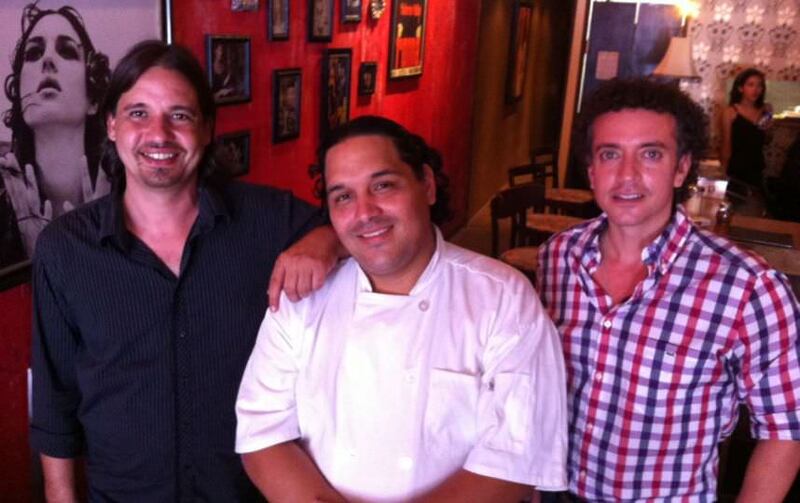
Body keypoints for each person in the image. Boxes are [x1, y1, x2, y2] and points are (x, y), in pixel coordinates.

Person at [30, 40, 341, 502]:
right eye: (138, 113)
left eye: (179, 115)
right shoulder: (65, 249)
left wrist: (325, 241)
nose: (159, 135)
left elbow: (362, 229)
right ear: (111, 125)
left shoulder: (268, 220)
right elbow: (54, 397)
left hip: (249, 494)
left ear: (207, 129)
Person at [235, 116, 568, 502]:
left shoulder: (502, 297)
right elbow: (262, 432)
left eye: (383, 185)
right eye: (343, 196)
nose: (365, 212)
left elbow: (516, 458)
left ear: (427, 184)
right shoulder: (302, 297)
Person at [537, 78, 800, 502]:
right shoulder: (557, 257)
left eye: (651, 154)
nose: (627, 175)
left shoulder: (748, 286)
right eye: (610, 154)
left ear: (681, 168)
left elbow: (788, 426)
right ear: (591, 171)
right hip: (553, 490)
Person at [1, 3, 111, 266]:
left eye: (67, 51)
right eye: (34, 53)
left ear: (93, 100)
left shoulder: (131, 203)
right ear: (19, 91)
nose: (47, 60)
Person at [721, 68, 772, 203]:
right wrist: (723, 174)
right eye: (750, 85)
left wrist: (769, 124)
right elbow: (726, 147)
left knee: (757, 208)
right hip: (736, 170)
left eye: (759, 85)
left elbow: (766, 140)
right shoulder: (730, 112)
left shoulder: (765, 111)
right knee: (735, 208)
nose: (756, 90)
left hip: (757, 168)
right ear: (740, 88)